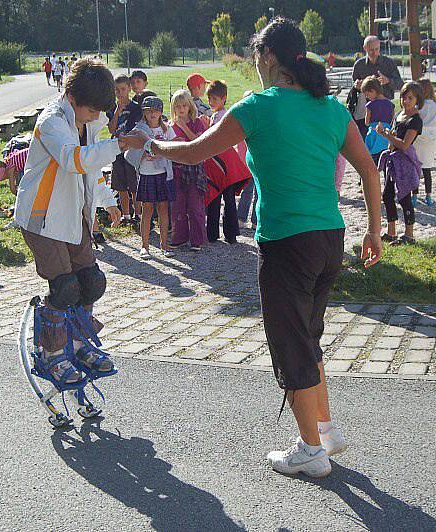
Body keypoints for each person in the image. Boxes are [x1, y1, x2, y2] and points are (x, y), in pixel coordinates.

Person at [127, 18, 383, 478]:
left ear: (267, 58)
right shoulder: (330, 108)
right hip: (330, 237)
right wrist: (375, 231)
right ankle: (326, 430)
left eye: (255, 59)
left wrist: (153, 146)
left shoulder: (260, 106)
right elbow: (368, 169)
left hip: (287, 241)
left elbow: (195, 151)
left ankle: (310, 451)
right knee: (309, 336)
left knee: (291, 346)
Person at [14, 58, 125, 384]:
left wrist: (107, 201)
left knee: (91, 282)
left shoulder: (86, 122)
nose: (97, 118)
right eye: (92, 111)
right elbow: (75, 160)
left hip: (73, 213)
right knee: (64, 288)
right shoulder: (51, 122)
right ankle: (51, 354)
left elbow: (91, 168)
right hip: (43, 217)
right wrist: (118, 145)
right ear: (73, 99)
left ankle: (79, 344)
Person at [124, 96, 176, 259]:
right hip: (146, 174)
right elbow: (130, 149)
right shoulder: (139, 129)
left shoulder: (167, 129)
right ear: (144, 113)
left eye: (156, 110)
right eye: (149, 111)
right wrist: (144, 153)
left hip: (163, 174)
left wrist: (161, 154)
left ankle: (164, 244)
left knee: (163, 209)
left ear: (161, 112)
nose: (152, 114)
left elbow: (174, 148)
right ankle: (144, 246)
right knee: (147, 210)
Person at [376, 81, 424, 246]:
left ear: (417, 99)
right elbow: (394, 140)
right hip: (393, 159)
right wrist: (387, 135)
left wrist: (387, 135)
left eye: (410, 98)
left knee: (404, 197)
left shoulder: (416, 120)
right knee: (387, 195)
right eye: (404, 97)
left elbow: (404, 144)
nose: (406, 101)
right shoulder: (399, 115)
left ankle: (409, 235)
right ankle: (391, 232)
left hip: (405, 161)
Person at [168, 90, 207, 251]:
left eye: (184, 105)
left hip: (194, 169)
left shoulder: (197, 122)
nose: (181, 109)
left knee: (195, 206)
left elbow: (198, 142)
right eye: (177, 106)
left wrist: (183, 127)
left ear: (190, 106)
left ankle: (197, 240)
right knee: (178, 206)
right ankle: (179, 238)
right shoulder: (169, 126)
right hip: (177, 169)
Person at [205, 79, 241, 244]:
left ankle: (221, 233)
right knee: (220, 198)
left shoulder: (223, 116)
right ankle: (224, 234)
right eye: (210, 99)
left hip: (223, 162)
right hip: (218, 162)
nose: (212, 102)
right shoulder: (215, 116)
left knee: (223, 198)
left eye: (215, 99)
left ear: (223, 98)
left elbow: (217, 137)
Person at [350, 35, 404, 138]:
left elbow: (400, 84)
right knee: (366, 140)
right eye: (371, 50)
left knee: (384, 140)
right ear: (365, 48)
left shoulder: (388, 63)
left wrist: (388, 81)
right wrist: (357, 85)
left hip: (385, 108)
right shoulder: (359, 65)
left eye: (377, 49)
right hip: (364, 109)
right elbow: (354, 84)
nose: (374, 53)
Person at [107, 75, 142, 227]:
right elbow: (111, 128)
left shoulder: (135, 107)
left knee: (134, 185)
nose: (120, 93)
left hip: (131, 150)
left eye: (123, 89)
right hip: (117, 150)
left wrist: (126, 140)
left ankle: (138, 214)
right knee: (120, 184)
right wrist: (117, 111)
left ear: (129, 88)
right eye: (117, 90)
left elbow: (134, 129)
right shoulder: (112, 108)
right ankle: (126, 215)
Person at [411, 78, 436, 207]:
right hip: (431, 136)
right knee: (427, 168)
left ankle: (414, 196)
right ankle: (428, 196)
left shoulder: (418, 105)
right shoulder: (434, 105)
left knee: (415, 167)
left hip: (419, 135)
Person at [361, 76, 395, 166]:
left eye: (367, 95)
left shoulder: (370, 105)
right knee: (386, 160)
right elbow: (392, 120)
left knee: (370, 161)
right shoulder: (391, 104)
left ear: (373, 90)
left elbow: (367, 122)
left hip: (374, 133)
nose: (368, 97)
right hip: (386, 134)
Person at [236, 90, 257, 230]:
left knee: (256, 193)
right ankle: (241, 218)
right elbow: (240, 147)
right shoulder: (241, 123)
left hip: (256, 163)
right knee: (248, 192)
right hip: (247, 164)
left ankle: (255, 220)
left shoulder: (256, 121)